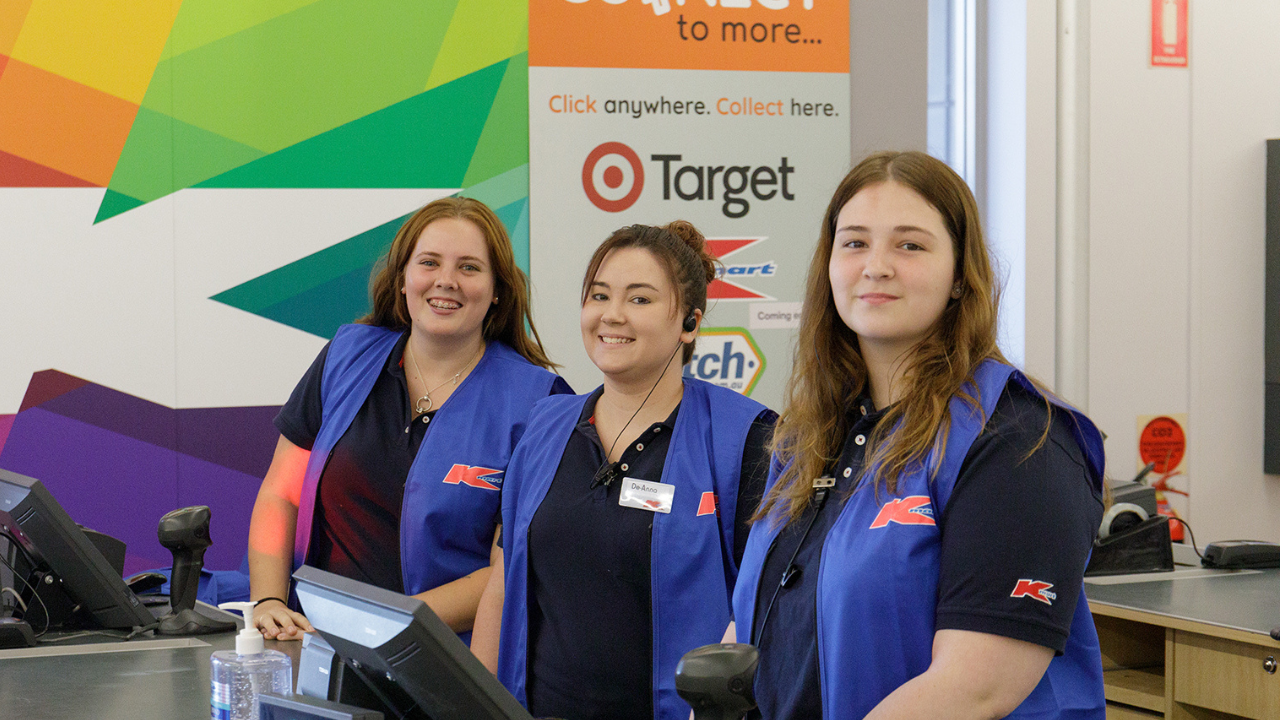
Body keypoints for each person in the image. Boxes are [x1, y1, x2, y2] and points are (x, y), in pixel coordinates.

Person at [731, 151, 1107, 720]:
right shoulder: (808, 438)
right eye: (854, 243)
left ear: (960, 276)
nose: (875, 266)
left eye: (910, 245)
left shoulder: (1018, 439)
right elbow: (756, 627)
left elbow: (973, 689)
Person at [471, 221, 777, 720]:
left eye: (640, 299)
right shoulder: (545, 425)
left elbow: (764, 610)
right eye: (599, 295)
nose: (612, 315)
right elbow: (503, 585)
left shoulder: (747, 439)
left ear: (690, 323)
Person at [247, 197, 571, 642]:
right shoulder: (346, 355)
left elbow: (513, 568)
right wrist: (269, 601)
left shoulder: (539, 402)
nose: (446, 281)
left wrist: (376, 624)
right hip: (316, 643)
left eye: (470, 268)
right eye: (430, 262)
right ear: (403, 278)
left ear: (498, 289)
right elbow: (281, 493)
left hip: (446, 660)